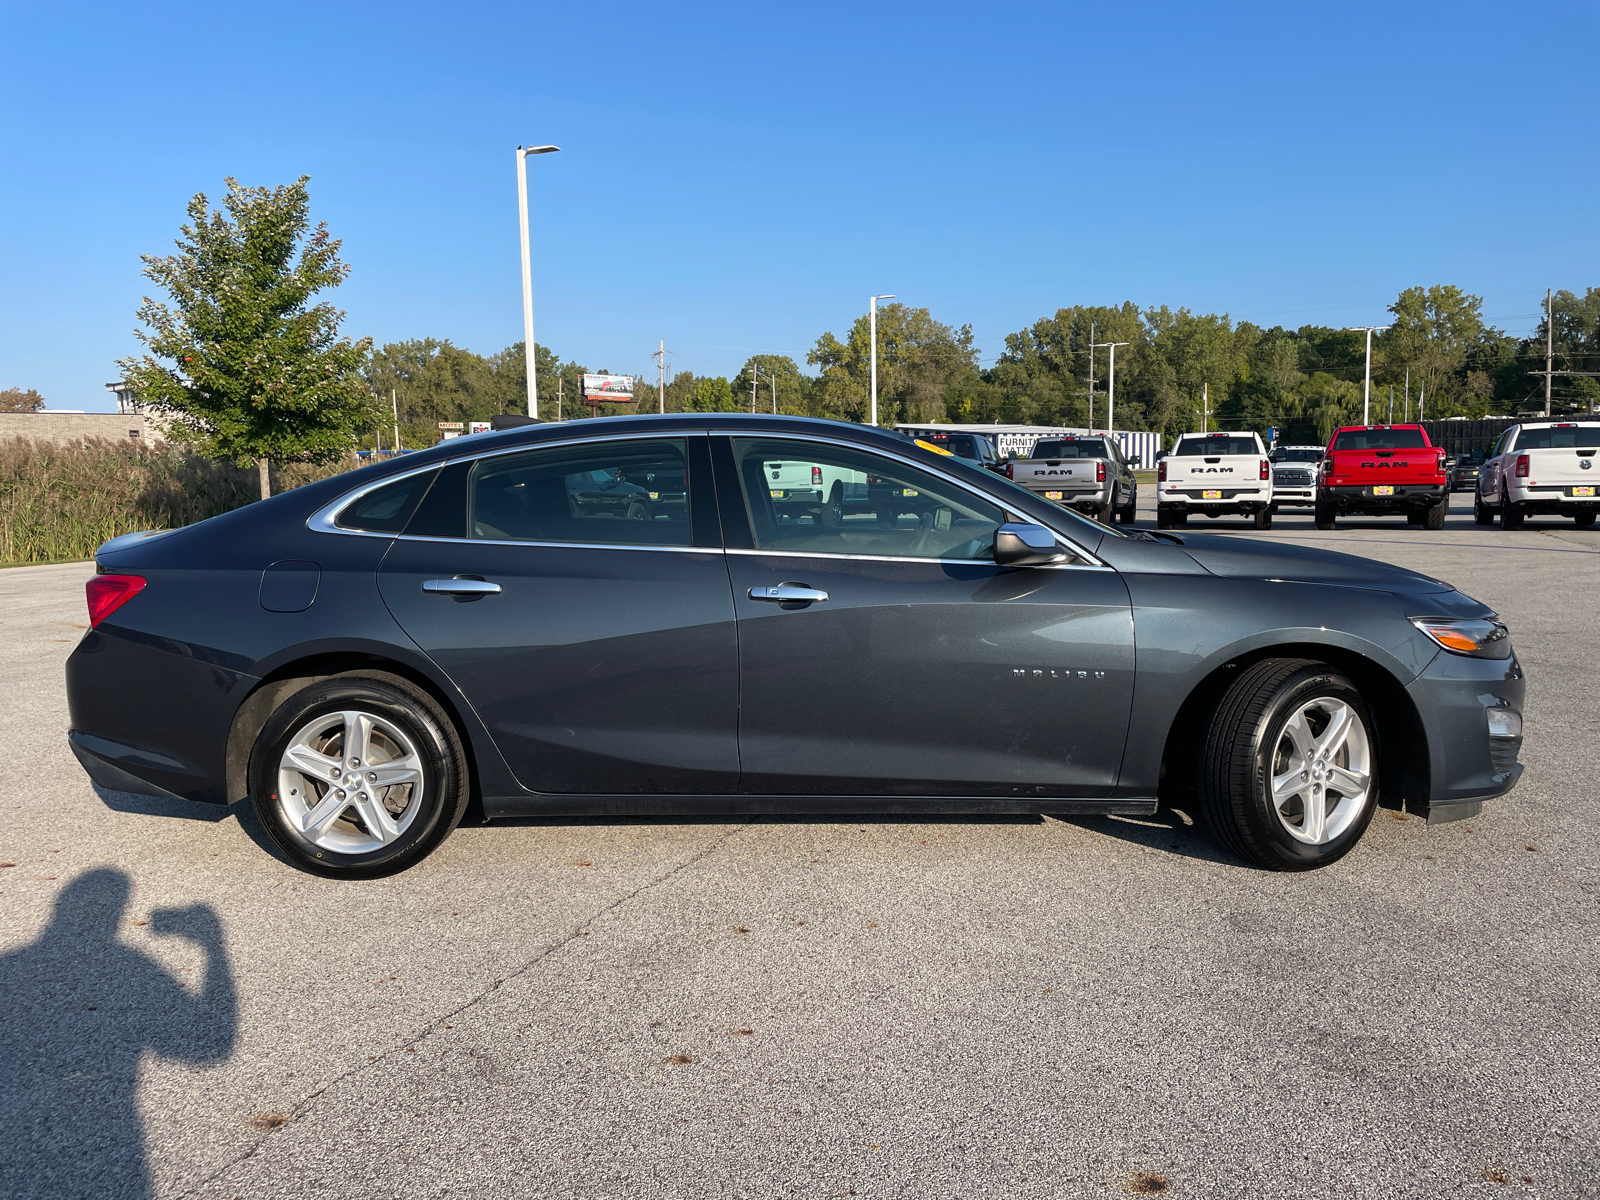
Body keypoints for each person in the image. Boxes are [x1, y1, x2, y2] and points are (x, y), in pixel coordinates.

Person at [0, 869, 236, 1199]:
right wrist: (213, 946)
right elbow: (213, 1047)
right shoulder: (136, 964)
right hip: (114, 1136)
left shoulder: (10, 966)